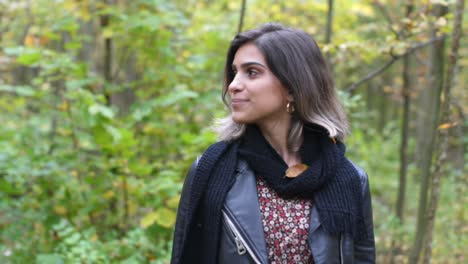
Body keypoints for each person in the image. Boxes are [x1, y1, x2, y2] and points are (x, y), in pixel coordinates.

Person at [171, 23, 375, 264]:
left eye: (252, 72)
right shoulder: (210, 170)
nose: (234, 85)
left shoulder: (348, 178)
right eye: (234, 72)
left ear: (291, 88)